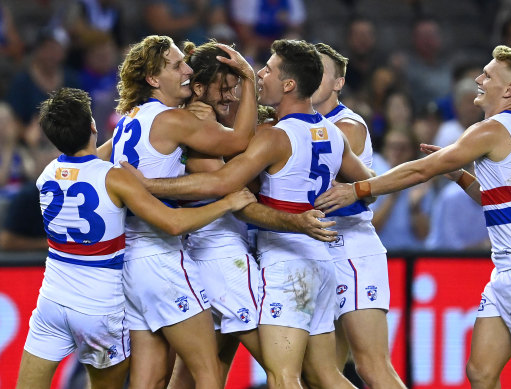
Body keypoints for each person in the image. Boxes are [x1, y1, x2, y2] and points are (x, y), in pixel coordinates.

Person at [315, 45, 511, 389]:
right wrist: (459, 174)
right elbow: (496, 198)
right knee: (480, 372)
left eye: (489, 75)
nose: (479, 79)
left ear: (508, 90)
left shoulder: (490, 129)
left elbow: (421, 170)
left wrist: (358, 189)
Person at [124, 39, 371, 389]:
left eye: (263, 71)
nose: (251, 80)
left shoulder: (260, 134)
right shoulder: (329, 132)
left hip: (250, 256)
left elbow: (225, 181)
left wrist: (144, 184)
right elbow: (370, 185)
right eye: (227, 88)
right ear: (197, 88)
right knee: (310, 372)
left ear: (289, 84)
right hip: (242, 255)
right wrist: (358, 191)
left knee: (280, 373)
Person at [15, 87, 256, 389]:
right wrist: (226, 203)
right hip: (99, 308)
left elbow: (93, 155)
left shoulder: (46, 174)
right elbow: (172, 222)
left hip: (51, 301)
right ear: (92, 125)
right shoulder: (114, 178)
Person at [109, 35, 257, 388]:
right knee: (207, 373)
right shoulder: (173, 120)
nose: (187, 70)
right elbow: (240, 142)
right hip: (162, 257)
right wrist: (248, 79)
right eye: (177, 66)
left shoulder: (130, 118)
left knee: (151, 378)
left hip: (129, 261)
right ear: (153, 80)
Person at [310, 42, 406, 389]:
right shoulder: (296, 123)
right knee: (321, 373)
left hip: (350, 248)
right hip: (316, 249)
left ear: (338, 82)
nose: (312, 76)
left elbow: (315, 191)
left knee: (371, 366)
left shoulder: (346, 126)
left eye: (321, 71)